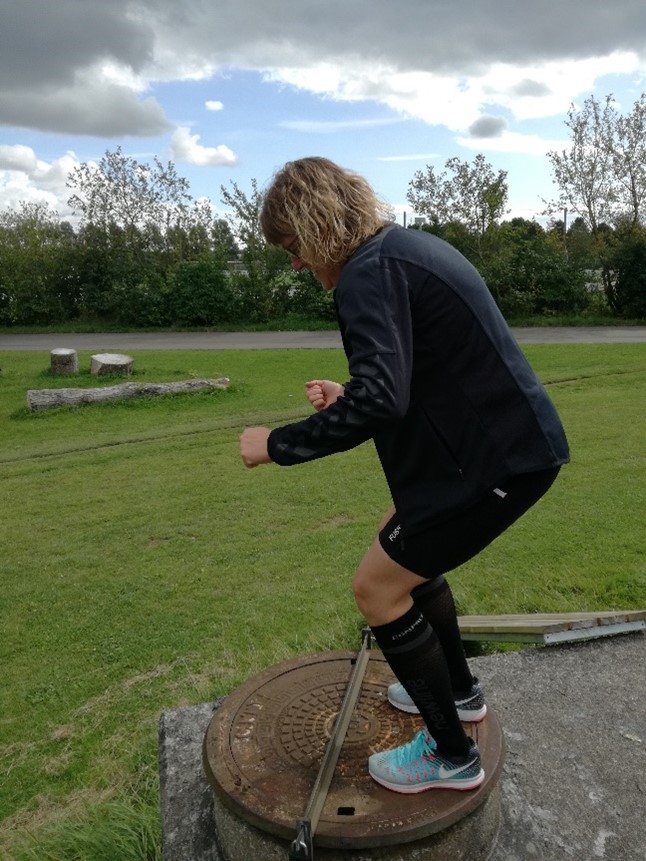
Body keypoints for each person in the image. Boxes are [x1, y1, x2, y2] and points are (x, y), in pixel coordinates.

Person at [239, 156, 569, 794]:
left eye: (293, 246)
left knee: (376, 589)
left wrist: (276, 444)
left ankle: (452, 756)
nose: (296, 264)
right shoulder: (399, 251)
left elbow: (384, 401)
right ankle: (459, 693)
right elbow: (415, 380)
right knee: (408, 555)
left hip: (497, 465)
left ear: (316, 225)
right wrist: (350, 393)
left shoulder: (367, 273)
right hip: (502, 456)